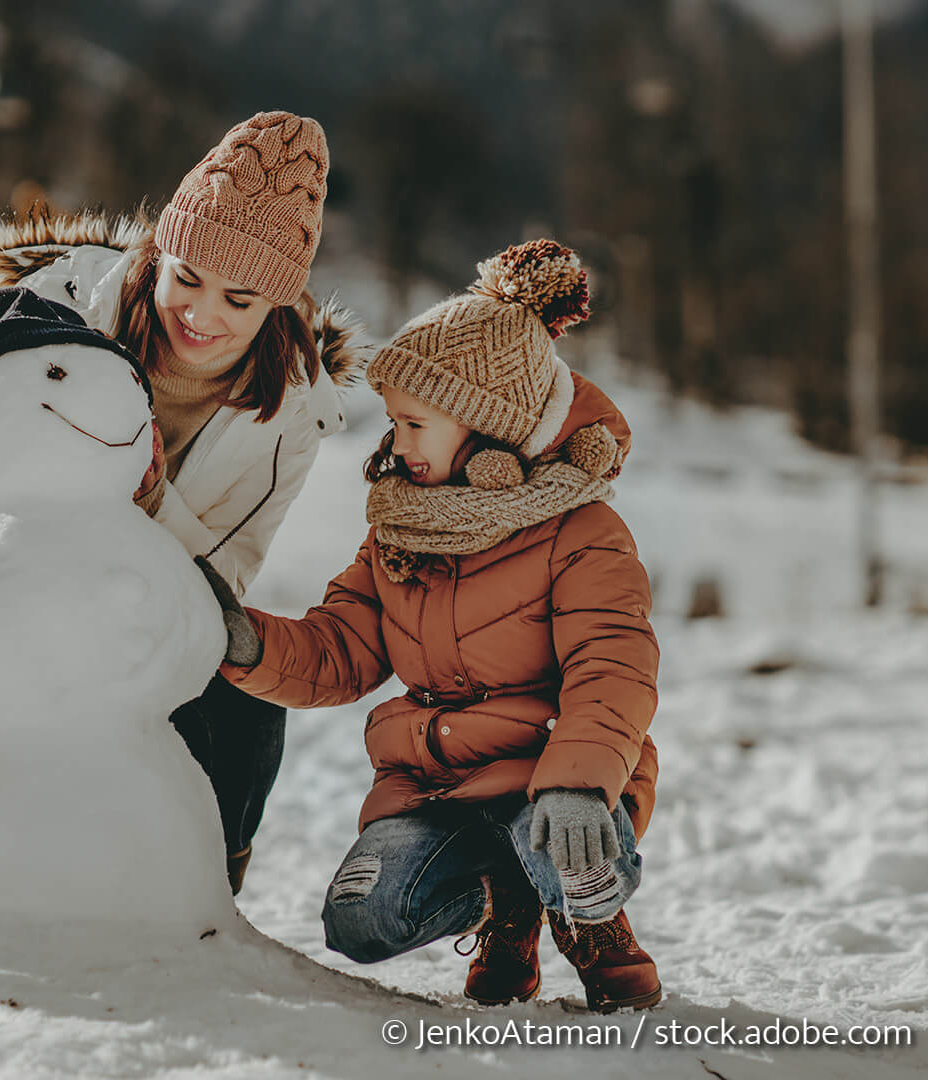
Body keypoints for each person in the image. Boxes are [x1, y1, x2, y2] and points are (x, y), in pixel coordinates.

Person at [0, 111, 357, 894]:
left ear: (278, 307)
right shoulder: (54, 301)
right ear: (158, 254)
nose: (202, 315)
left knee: (250, 696)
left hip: (124, 612)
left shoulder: (291, 413)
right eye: (185, 277)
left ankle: (198, 891)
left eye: (240, 299)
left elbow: (223, 579)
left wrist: (148, 497)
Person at [206, 240, 663, 1010]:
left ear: (488, 433)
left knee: (569, 854)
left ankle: (591, 920)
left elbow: (611, 668)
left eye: (417, 424)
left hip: (554, 776)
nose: (397, 442)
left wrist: (582, 785)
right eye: (395, 421)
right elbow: (341, 647)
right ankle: (504, 906)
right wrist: (248, 643)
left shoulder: (582, 532)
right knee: (360, 918)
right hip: (434, 785)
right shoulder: (399, 531)